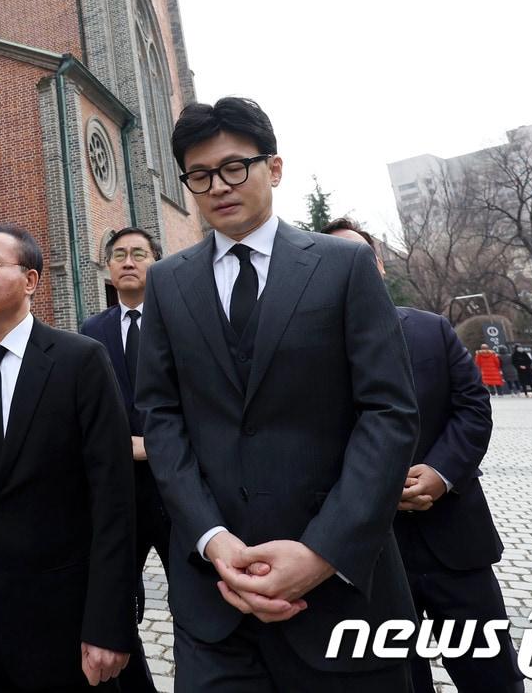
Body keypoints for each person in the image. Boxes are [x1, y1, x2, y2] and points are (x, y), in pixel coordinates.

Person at [135, 97, 418, 691]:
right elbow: (161, 415)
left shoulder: (343, 266)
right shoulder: (167, 281)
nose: (218, 186)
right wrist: (212, 539)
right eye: (200, 175)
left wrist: (322, 552)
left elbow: (388, 412)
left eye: (235, 167)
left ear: (275, 168)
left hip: (341, 592)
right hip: (213, 596)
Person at [0, 225, 135, 691]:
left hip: (58, 622)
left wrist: (108, 622)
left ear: (31, 281)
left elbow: (114, 503)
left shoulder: (81, 361)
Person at [325, 218, 524, 693]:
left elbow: (473, 410)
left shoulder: (431, 330)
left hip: (455, 540)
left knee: (492, 678)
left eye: (358, 255)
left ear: (378, 263)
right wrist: (372, 487)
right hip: (368, 555)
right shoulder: (306, 350)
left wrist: (439, 472)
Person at [79, 226, 171, 693]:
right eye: (118, 255)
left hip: (176, 485)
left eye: (139, 253)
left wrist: (152, 444)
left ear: (157, 262)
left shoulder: (180, 321)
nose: (128, 261)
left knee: (195, 601)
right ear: (109, 270)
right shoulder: (92, 331)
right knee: (116, 601)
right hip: (117, 492)